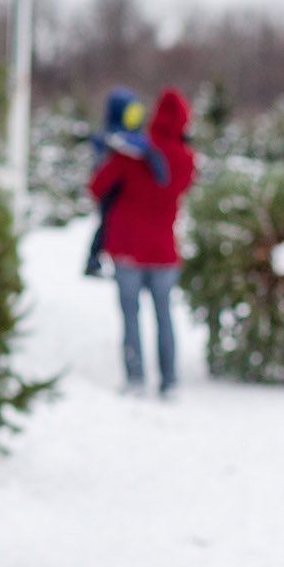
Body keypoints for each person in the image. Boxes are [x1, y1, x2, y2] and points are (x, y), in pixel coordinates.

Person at [89, 86, 195, 397]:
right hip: (164, 251)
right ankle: (169, 381)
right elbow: (183, 187)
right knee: (165, 316)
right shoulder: (186, 158)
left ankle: (135, 379)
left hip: (128, 249)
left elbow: (97, 187)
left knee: (131, 316)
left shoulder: (132, 151)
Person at [83, 85, 168, 277]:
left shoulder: (134, 139)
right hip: (111, 191)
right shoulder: (112, 137)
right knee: (108, 226)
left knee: (115, 227)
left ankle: (114, 262)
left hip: (127, 192)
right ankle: (98, 261)